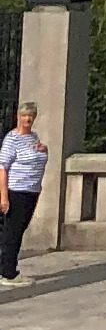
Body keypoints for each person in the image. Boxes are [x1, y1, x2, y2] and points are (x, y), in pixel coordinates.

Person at [0, 106, 48, 281]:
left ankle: (5, 266)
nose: (27, 119)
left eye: (30, 116)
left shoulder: (33, 137)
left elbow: (35, 157)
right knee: (13, 231)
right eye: (24, 115)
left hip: (32, 190)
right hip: (17, 190)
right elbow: (3, 168)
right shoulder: (12, 139)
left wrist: (44, 150)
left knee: (19, 229)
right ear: (18, 116)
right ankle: (8, 273)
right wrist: (4, 197)